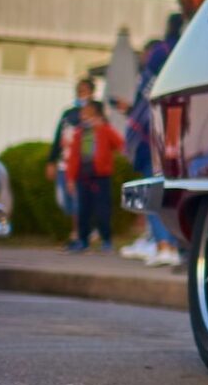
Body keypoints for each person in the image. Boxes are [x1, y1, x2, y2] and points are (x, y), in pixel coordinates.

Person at [118, 13, 184, 267]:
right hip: (173, 134)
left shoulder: (156, 69)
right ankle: (165, 243)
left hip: (154, 139)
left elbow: (143, 110)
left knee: (154, 190)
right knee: (168, 191)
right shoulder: (185, 60)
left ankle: (164, 245)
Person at [63, 98, 123, 253]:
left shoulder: (104, 129)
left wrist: (103, 127)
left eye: (87, 113)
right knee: (83, 210)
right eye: (83, 114)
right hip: (83, 177)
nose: (83, 116)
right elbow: (73, 158)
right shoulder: (79, 133)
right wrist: (70, 178)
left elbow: (120, 144)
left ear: (96, 114)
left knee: (102, 209)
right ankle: (83, 240)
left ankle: (106, 240)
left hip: (101, 177)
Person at [45, 77, 96, 220]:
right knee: (64, 201)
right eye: (79, 91)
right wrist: (51, 161)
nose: (81, 94)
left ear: (91, 93)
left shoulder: (96, 112)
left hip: (83, 165)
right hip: (64, 164)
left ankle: (79, 234)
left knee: (78, 200)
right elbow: (58, 138)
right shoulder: (68, 114)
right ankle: (81, 232)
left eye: (84, 91)